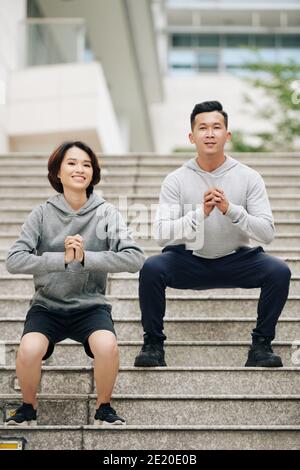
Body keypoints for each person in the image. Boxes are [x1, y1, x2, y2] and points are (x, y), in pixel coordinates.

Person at [134, 100, 291, 368]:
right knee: (151, 268)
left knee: (279, 271)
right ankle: (153, 345)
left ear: (227, 135)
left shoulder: (249, 177)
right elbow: (161, 234)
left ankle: (261, 346)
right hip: (189, 260)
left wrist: (231, 210)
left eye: (216, 127)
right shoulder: (176, 179)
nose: (209, 133)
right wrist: (200, 214)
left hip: (236, 260)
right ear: (191, 136)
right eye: (203, 128)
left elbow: (267, 233)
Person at [5, 141, 145, 426]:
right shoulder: (42, 214)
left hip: (90, 307)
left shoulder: (106, 213)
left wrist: (85, 259)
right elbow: (14, 260)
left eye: (86, 164)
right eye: (71, 163)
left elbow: (134, 258)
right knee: (29, 348)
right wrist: (62, 260)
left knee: (107, 346)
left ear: (93, 173)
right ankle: (27, 409)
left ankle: (103, 408)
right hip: (47, 306)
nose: (79, 169)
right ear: (57, 172)